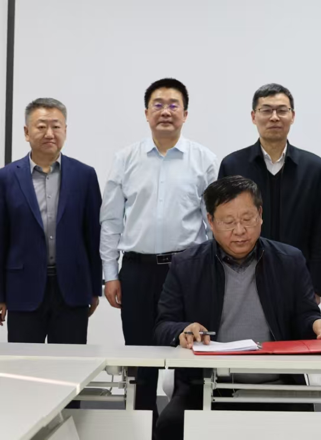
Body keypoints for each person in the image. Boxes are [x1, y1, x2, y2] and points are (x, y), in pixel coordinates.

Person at [154, 176, 321, 440]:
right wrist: (183, 330)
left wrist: (317, 323)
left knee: (311, 429)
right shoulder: (187, 265)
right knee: (170, 426)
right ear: (210, 221)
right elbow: (163, 325)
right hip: (207, 385)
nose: (239, 230)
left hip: (277, 385)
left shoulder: (289, 261)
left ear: (260, 215)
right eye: (228, 222)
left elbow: (305, 315)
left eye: (247, 219)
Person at [99, 78, 217, 429]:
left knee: (190, 357)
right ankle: (142, 429)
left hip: (188, 270)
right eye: (158, 104)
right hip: (138, 271)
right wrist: (110, 274)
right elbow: (111, 220)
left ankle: (183, 430)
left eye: (173, 105)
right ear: (146, 112)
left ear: (185, 114)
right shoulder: (125, 159)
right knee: (141, 359)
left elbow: (213, 222)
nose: (166, 111)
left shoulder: (204, 160)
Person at [0, 98, 101, 350]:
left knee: (70, 365)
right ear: (26, 132)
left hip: (72, 289)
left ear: (65, 130)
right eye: (41, 126)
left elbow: (93, 235)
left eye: (56, 126)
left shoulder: (85, 175)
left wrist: (94, 287)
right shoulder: (6, 178)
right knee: (25, 365)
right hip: (22, 289)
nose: (49, 133)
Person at [218, 83, 321, 301]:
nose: (274, 117)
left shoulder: (313, 168)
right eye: (266, 110)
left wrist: (316, 286)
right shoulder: (232, 165)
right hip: (242, 280)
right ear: (254, 116)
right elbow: (223, 227)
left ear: (292, 116)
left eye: (281, 110)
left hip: (298, 280)